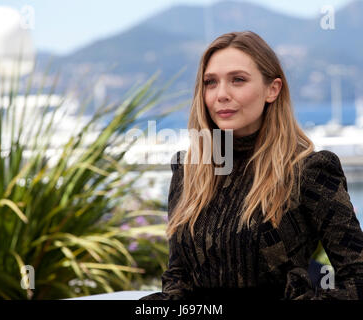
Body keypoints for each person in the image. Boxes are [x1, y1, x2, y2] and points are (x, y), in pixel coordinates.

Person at [139, 31, 363, 300]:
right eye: (210, 82)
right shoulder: (189, 170)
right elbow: (178, 280)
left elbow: (357, 279)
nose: (221, 94)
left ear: (273, 89)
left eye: (238, 80)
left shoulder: (309, 170)